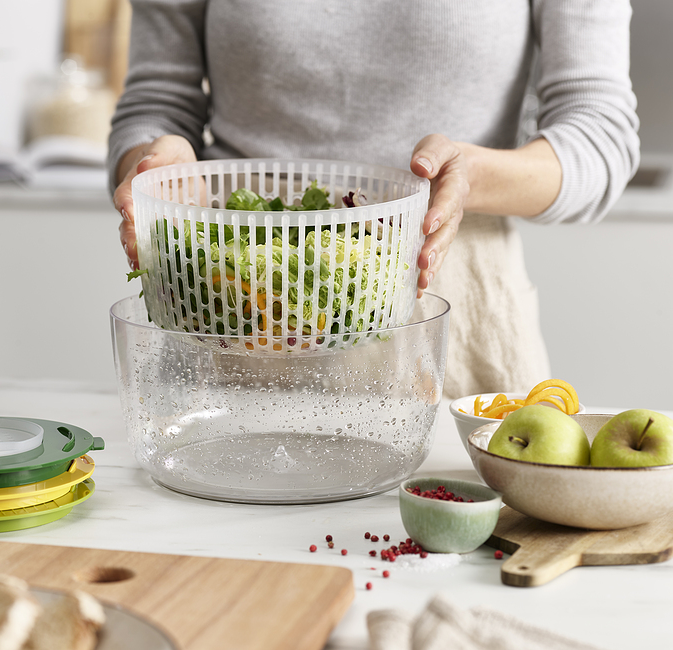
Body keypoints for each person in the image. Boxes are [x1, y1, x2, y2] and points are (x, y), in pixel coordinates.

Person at [107, 0, 640, 398]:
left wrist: (468, 175)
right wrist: (158, 173)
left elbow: (600, 135)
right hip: (233, 304)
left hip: (447, 311)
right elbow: (155, 103)